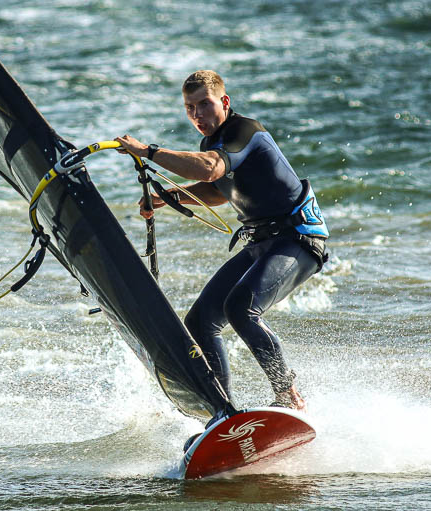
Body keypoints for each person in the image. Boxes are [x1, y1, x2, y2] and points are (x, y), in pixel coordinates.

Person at [115, 70, 328, 411]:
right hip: (261, 243)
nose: (197, 115)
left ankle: (289, 397)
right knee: (200, 321)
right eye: (189, 108)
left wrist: (148, 151)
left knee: (241, 308)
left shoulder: (245, 131)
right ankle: (224, 410)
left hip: (297, 239)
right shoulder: (209, 143)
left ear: (224, 102)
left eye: (204, 104)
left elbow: (211, 169)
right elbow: (216, 191)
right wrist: (167, 196)